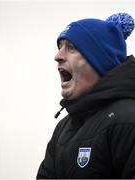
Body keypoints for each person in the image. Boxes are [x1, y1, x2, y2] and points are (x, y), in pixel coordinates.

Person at [36, 13, 135, 178]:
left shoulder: (128, 120)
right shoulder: (63, 129)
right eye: (59, 47)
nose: (58, 56)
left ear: (100, 61)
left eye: (71, 48)